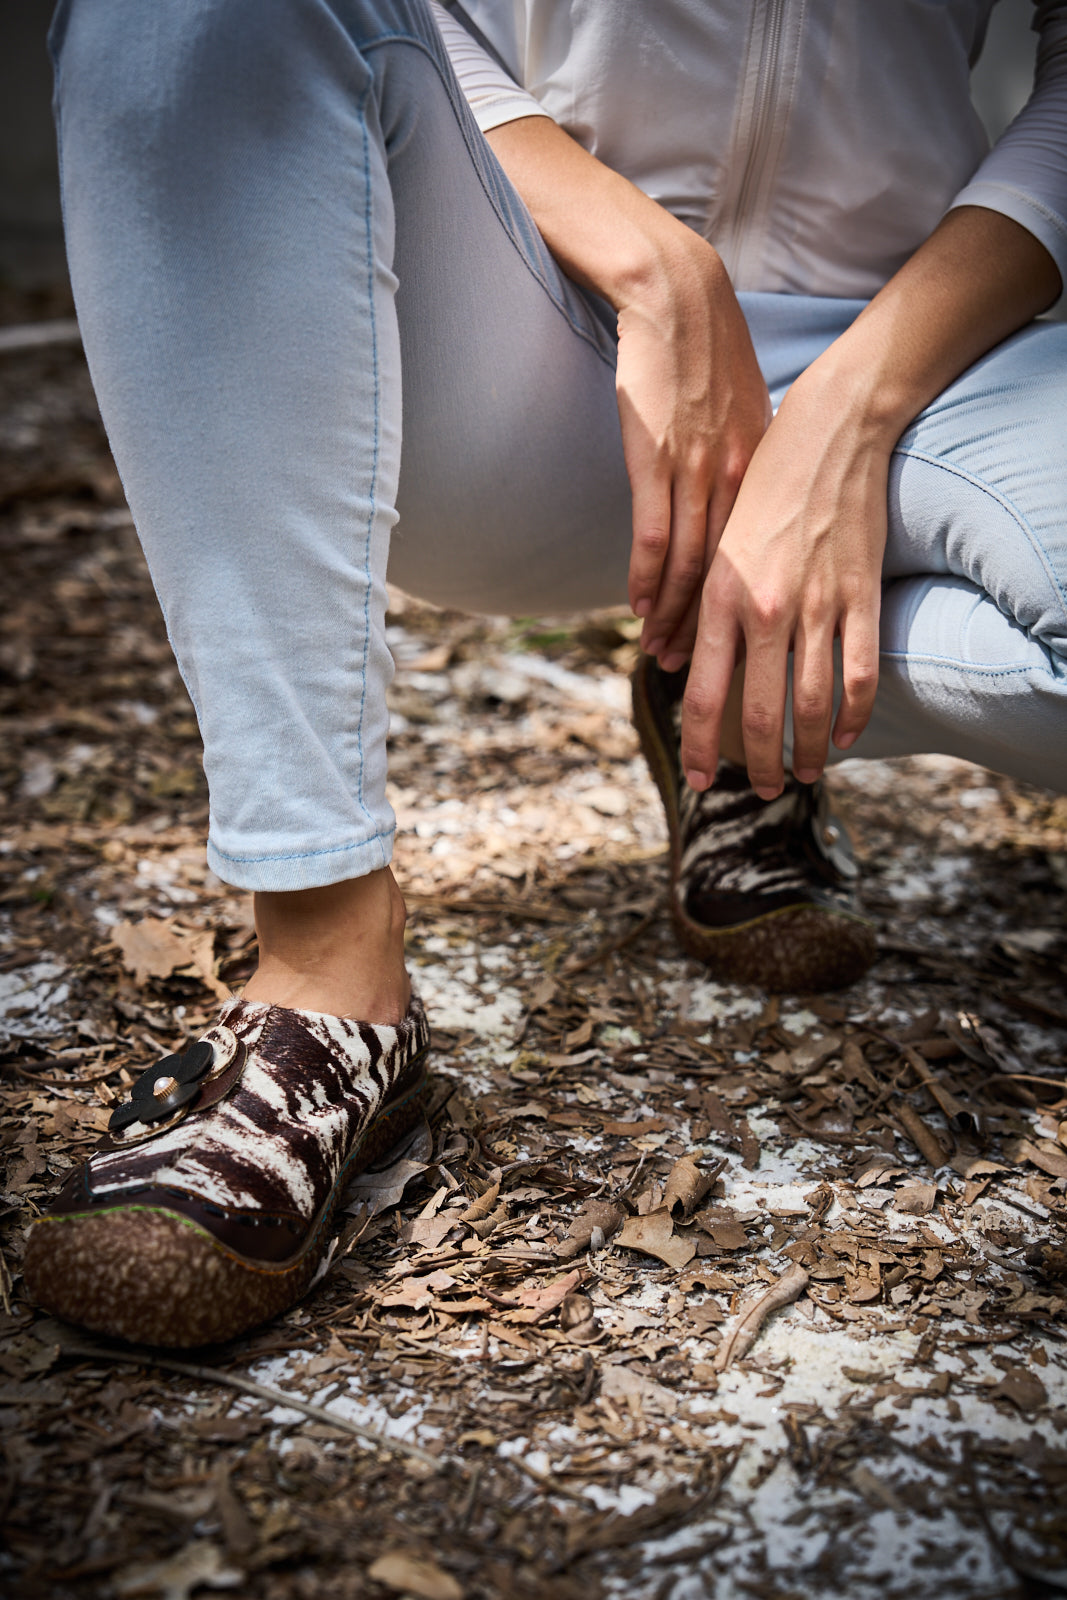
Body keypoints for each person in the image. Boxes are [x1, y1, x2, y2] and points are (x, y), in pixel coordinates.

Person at [25, 0, 1067, 1346]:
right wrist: (642, 252)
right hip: (539, 329)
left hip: (919, 364)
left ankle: (741, 696)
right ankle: (330, 964)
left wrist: (853, 405)